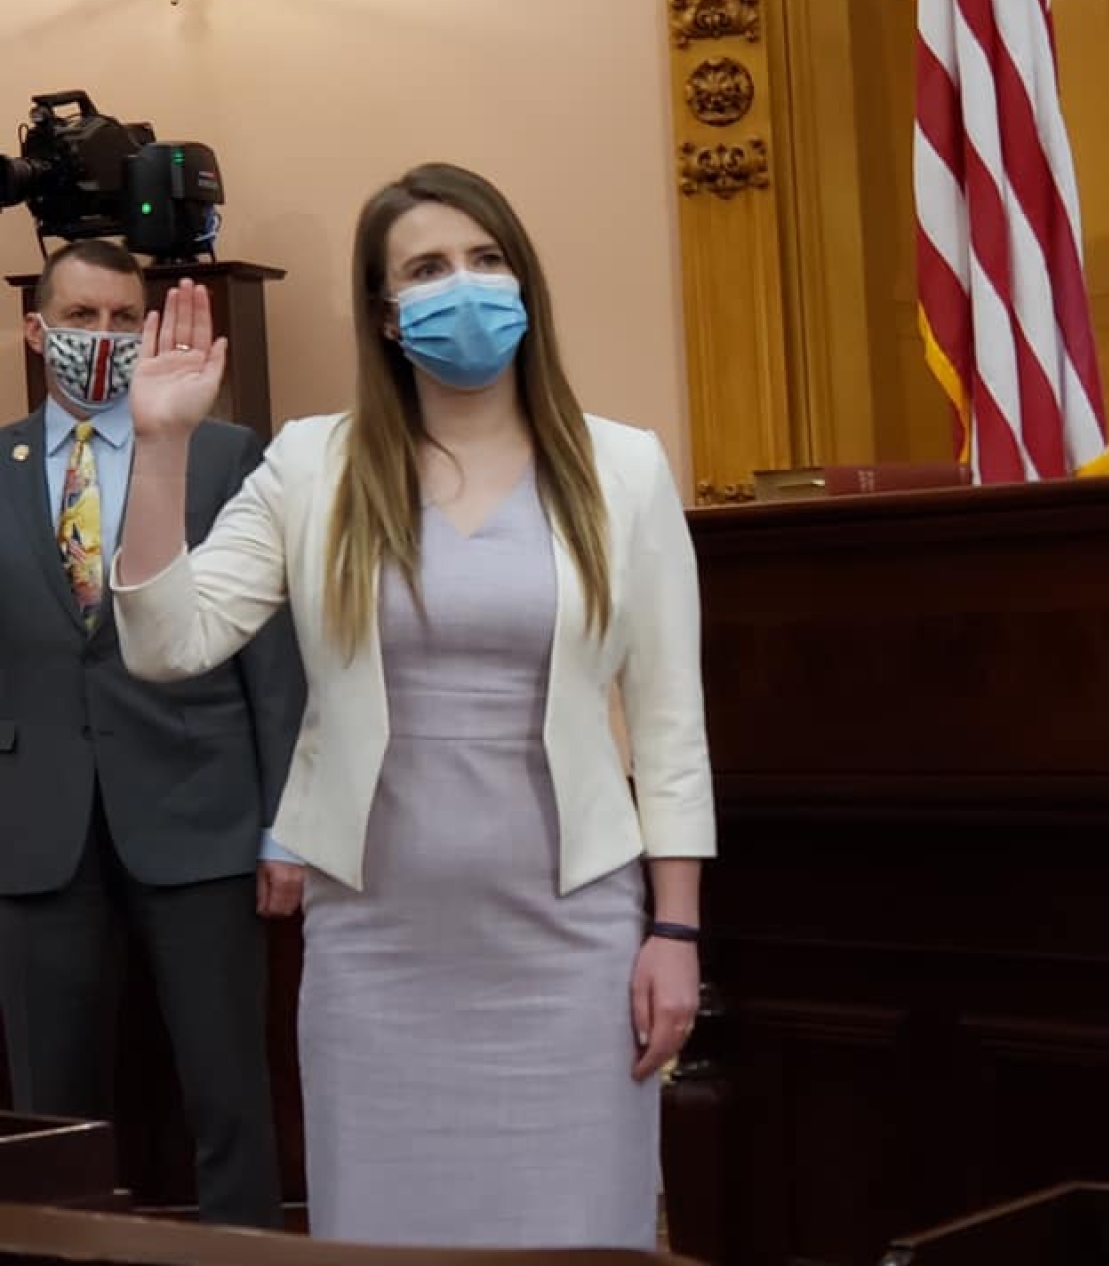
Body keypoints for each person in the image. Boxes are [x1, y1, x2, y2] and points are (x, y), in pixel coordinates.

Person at [112, 162, 716, 1248]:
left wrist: (674, 928)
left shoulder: (620, 467)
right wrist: (159, 447)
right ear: (387, 314)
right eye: (428, 269)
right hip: (376, 945)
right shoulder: (314, 462)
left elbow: (670, 729)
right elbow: (166, 641)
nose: (464, 287)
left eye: (486, 261)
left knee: (579, 1234)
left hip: (571, 938)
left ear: (525, 284)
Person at [0, 236, 306, 1228]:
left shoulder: (222, 454)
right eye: (81, 317)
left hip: (200, 815)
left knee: (228, 1091)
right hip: (34, 830)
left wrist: (284, 823)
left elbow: (272, 655)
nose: (104, 336)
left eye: (123, 318)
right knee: (54, 1114)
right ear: (34, 330)